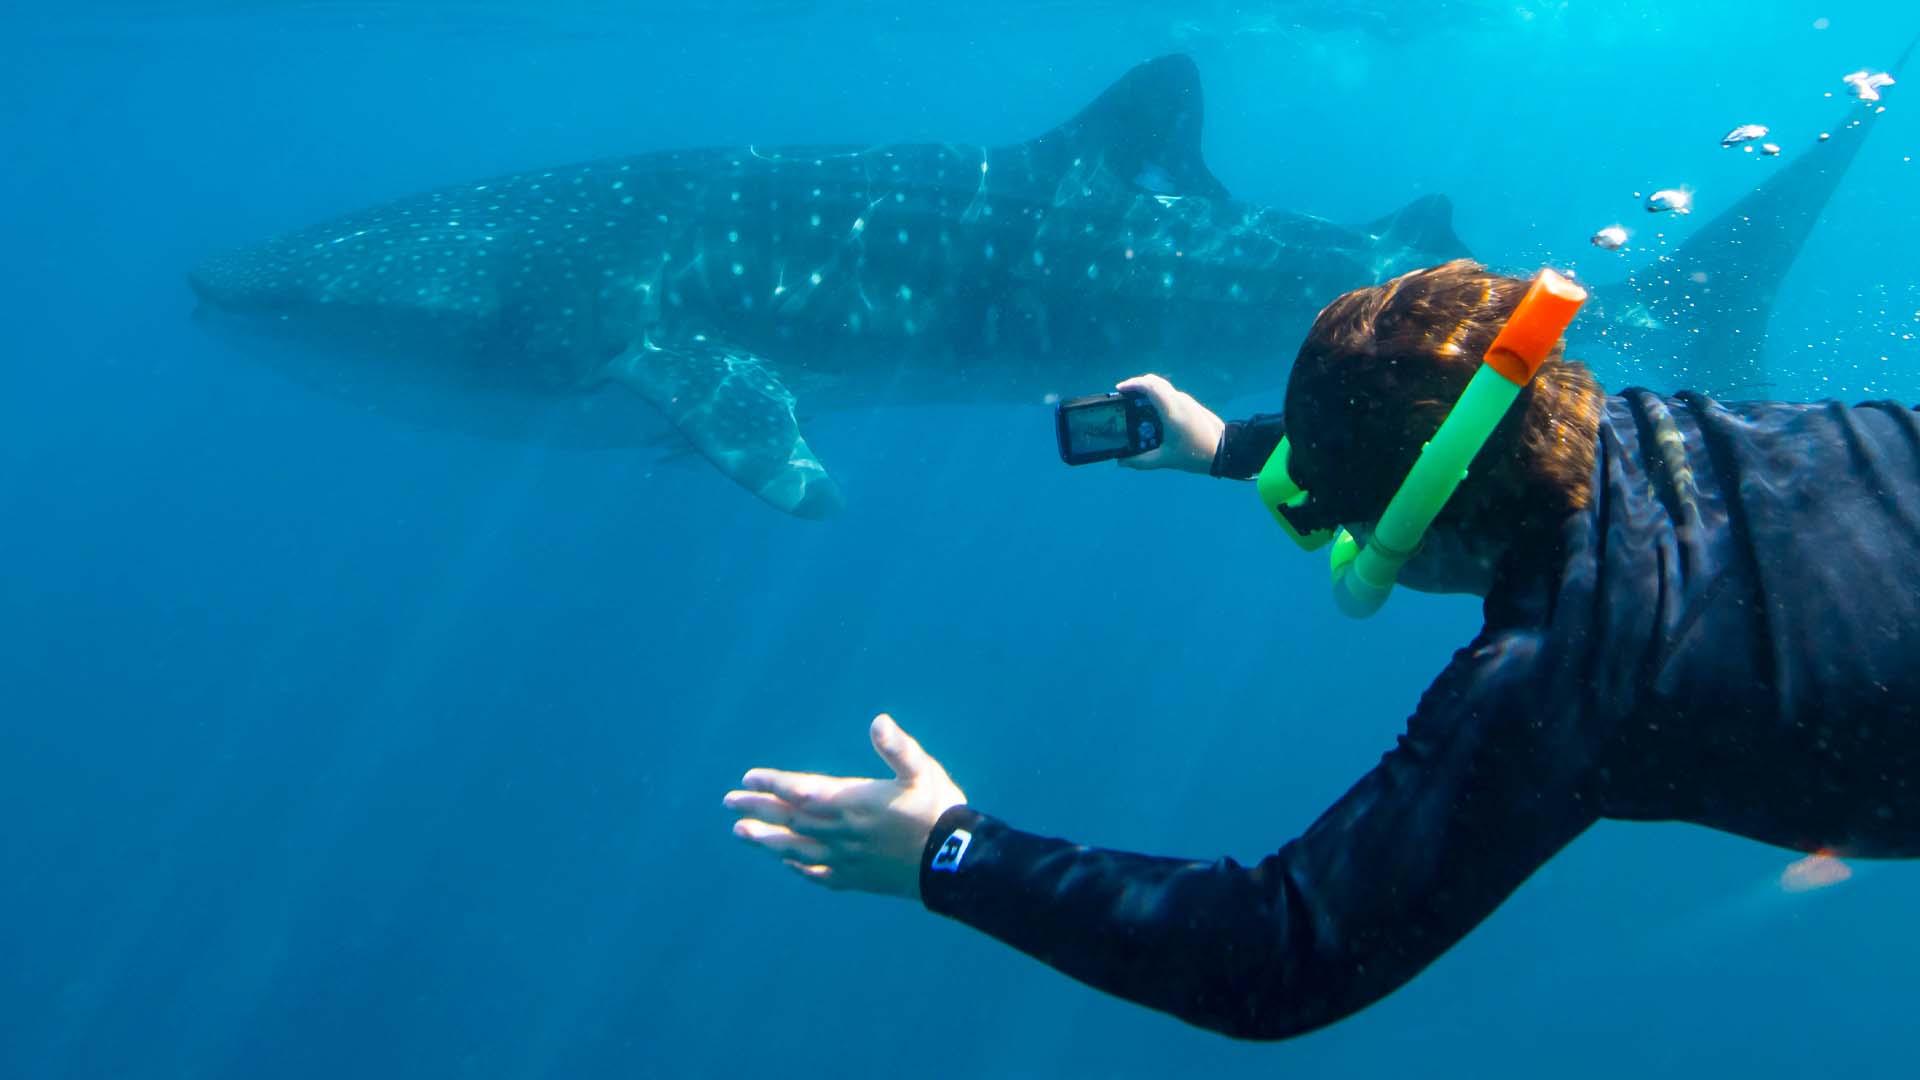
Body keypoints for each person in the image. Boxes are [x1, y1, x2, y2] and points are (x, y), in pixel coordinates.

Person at [722, 259, 1920, 1040]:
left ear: (1403, 524)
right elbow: (1461, 433)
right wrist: (1236, 449)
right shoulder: (1709, 426)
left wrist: (948, 852)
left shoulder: (1559, 672)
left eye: (1346, 518)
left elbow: (1278, 954)